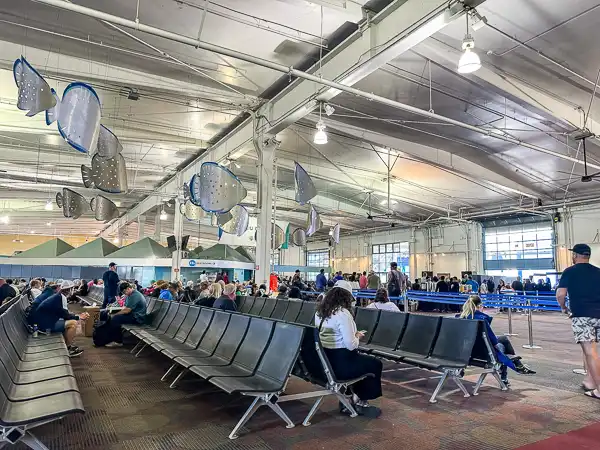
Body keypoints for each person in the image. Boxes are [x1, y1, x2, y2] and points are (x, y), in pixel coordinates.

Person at [315, 286, 383, 417]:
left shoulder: (319, 313)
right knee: (374, 364)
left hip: (326, 361)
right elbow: (351, 345)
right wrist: (357, 336)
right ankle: (361, 401)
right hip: (342, 364)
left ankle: (351, 396)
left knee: (365, 363)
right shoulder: (343, 314)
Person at [458, 295, 534, 385]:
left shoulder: (460, 318)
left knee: (503, 339)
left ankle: (517, 365)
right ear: (479, 306)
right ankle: (510, 370)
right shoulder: (481, 320)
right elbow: (493, 341)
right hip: (483, 353)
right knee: (502, 345)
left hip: (467, 352)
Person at [557, 244, 600, 399]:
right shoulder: (598, 271)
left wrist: (563, 308)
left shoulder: (570, 271)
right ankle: (590, 380)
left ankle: (599, 389)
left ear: (575, 255)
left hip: (582, 315)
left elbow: (561, 294)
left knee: (589, 350)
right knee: (593, 351)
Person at [31, 280, 89, 357]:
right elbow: (65, 315)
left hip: (41, 323)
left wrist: (76, 316)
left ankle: (66, 346)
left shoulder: (57, 296)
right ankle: (68, 349)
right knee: (73, 323)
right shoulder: (61, 298)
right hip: (44, 326)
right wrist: (79, 317)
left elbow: (64, 313)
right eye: (73, 289)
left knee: (69, 321)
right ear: (70, 289)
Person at [101, 282, 147, 348]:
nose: (124, 294)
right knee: (107, 314)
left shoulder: (135, 296)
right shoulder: (129, 295)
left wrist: (115, 314)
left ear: (128, 288)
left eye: (124, 292)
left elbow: (127, 310)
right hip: (132, 315)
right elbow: (125, 308)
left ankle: (118, 341)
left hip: (137, 318)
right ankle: (108, 337)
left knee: (116, 319)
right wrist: (113, 311)